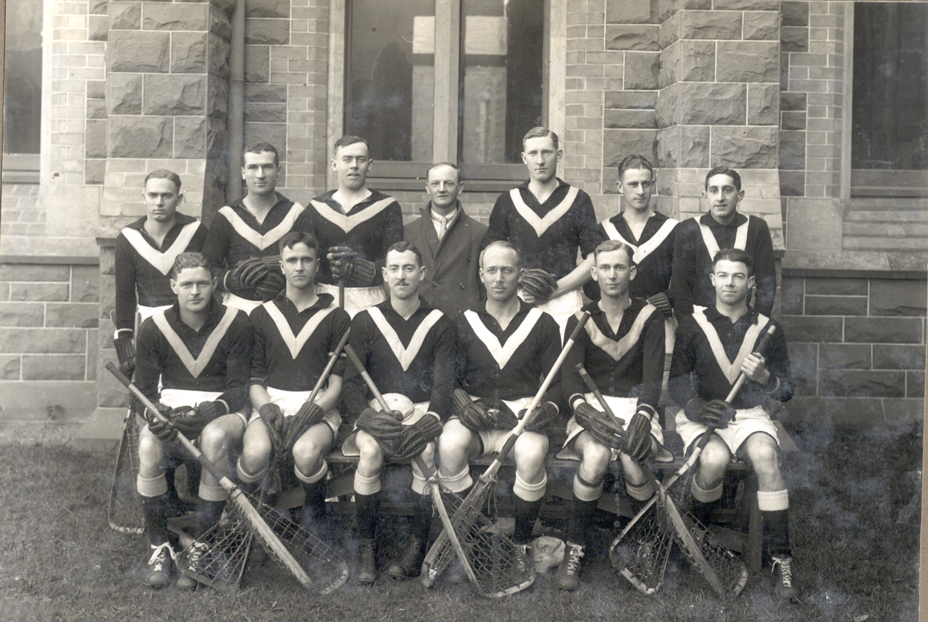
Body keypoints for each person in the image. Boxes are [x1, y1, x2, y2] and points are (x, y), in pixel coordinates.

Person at [668, 248, 797, 600]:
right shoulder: (693, 324)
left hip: (748, 415)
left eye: (738, 276)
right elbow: (676, 382)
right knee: (713, 460)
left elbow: (787, 391)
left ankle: (781, 559)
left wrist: (766, 377)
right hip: (705, 416)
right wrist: (695, 406)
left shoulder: (768, 328)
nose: (730, 283)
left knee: (767, 458)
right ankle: (695, 537)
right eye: (723, 275)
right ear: (712, 280)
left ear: (750, 282)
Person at [133, 253, 252, 590]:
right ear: (174, 286)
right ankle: (160, 547)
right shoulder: (155, 326)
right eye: (187, 284)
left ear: (214, 284)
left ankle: (204, 547)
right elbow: (141, 393)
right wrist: (155, 415)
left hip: (223, 409)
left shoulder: (237, 321)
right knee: (148, 442)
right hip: (173, 410)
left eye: (202, 283)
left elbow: (240, 388)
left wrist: (213, 410)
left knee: (213, 437)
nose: (195, 291)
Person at [438, 241, 564, 554]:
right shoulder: (463, 321)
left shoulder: (543, 323)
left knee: (532, 454)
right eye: (491, 270)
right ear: (480, 274)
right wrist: (463, 404)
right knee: (450, 445)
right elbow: (449, 380)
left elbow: (558, 383)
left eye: (507, 270)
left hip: (522, 414)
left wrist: (545, 410)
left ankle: (520, 545)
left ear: (520, 274)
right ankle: (468, 540)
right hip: (474, 412)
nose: (499, 278)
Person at [556, 240, 667, 591]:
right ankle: (575, 548)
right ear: (593, 273)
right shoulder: (580, 319)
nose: (612, 275)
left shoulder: (650, 316)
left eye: (619, 267)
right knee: (595, 457)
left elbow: (653, 379)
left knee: (634, 461)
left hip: (637, 408)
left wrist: (644, 417)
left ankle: (647, 545)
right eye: (604, 268)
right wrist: (585, 412)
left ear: (632, 272)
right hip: (592, 407)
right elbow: (569, 379)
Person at [340, 241, 454, 584]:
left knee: (427, 453)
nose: (401, 275)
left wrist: (431, 422)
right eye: (394, 268)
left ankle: (416, 546)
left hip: (420, 412)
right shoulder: (365, 320)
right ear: (385, 275)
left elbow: (444, 384)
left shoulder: (440, 322)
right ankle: (368, 546)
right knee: (369, 452)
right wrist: (367, 418)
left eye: (409, 268)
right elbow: (350, 384)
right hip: (378, 414)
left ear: (422, 273)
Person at [237, 232, 350, 534]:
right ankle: (247, 521)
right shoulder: (261, 315)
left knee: (306, 452)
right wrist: (266, 409)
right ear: (281, 266)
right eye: (292, 260)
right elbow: (254, 380)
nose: (299, 267)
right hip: (270, 402)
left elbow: (336, 385)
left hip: (318, 406)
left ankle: (314, 521)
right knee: (255, 453)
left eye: (306, 260)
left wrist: (315, 411)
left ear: (317, 266)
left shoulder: (337, 316)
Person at [484, 127, 600, 334]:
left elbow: (594, 259)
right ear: (524, 158)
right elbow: (492, 256)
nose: (540, 160)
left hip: (564, 300)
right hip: (519, 298)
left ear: (558, 155)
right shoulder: (508, 201)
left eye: (546, 152)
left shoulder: (579, 199)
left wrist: (553, 291)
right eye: (533, 153)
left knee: (563, 354)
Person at [113, 170, 208, 376]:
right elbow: (125, 294)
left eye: (166, 196)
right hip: (148, 324)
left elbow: (208, 282)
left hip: (190, 322)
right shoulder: (128, 238)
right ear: (143, 197)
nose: (159, 202)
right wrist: (125, 339)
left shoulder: (196, 231)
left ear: (179, 199)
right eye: (153, 195)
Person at [203, 141, 316, 314]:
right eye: (253, 167)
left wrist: (283, 282)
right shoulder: (226, 216)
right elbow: (207, 268)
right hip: (237, 307)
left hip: (286, 305)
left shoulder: (296, 213)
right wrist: (230, 279)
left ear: (278, 171)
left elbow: (312, 262)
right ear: (243, 173)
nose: (260, 175)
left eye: (267, 167)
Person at [306, 136, 404, 317]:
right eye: (347, 159)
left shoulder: (387, 207)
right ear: (334, 165)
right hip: (324, 298)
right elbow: (307, 259)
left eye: (360, 159)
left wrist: (365, 269)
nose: (354, 165)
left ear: (370, 164)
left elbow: (394, 260)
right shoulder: (316, 207)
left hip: (370, 299)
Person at [670, 166, 777, 318]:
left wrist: (757, 324)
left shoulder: (756, 228)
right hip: (700, 321)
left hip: (743, 322)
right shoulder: (688, 229)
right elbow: (680, 288)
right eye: (714, 190)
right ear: (705, 196)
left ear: (740, 195)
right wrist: (688, 327)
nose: (720, 197)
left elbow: (767, 286)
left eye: (727, 190)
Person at [587, 155, 676, 320]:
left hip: (660, 320)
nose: (640, 191)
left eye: (646, 184)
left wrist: (657, 303)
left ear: (653, 185)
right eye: (633, 184)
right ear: (620, 187)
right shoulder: (603, 231)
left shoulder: (673, 229)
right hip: (615, 320)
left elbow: (683, 285)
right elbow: (591, 286)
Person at [403, 162, 487, 319]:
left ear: (460, 188)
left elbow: (483, 285)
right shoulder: (409, 231)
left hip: (462, 318)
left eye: (448, 183)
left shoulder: (478, 232)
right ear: (427, 188)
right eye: (435, 184)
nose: (441, 189)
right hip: (421, 317)